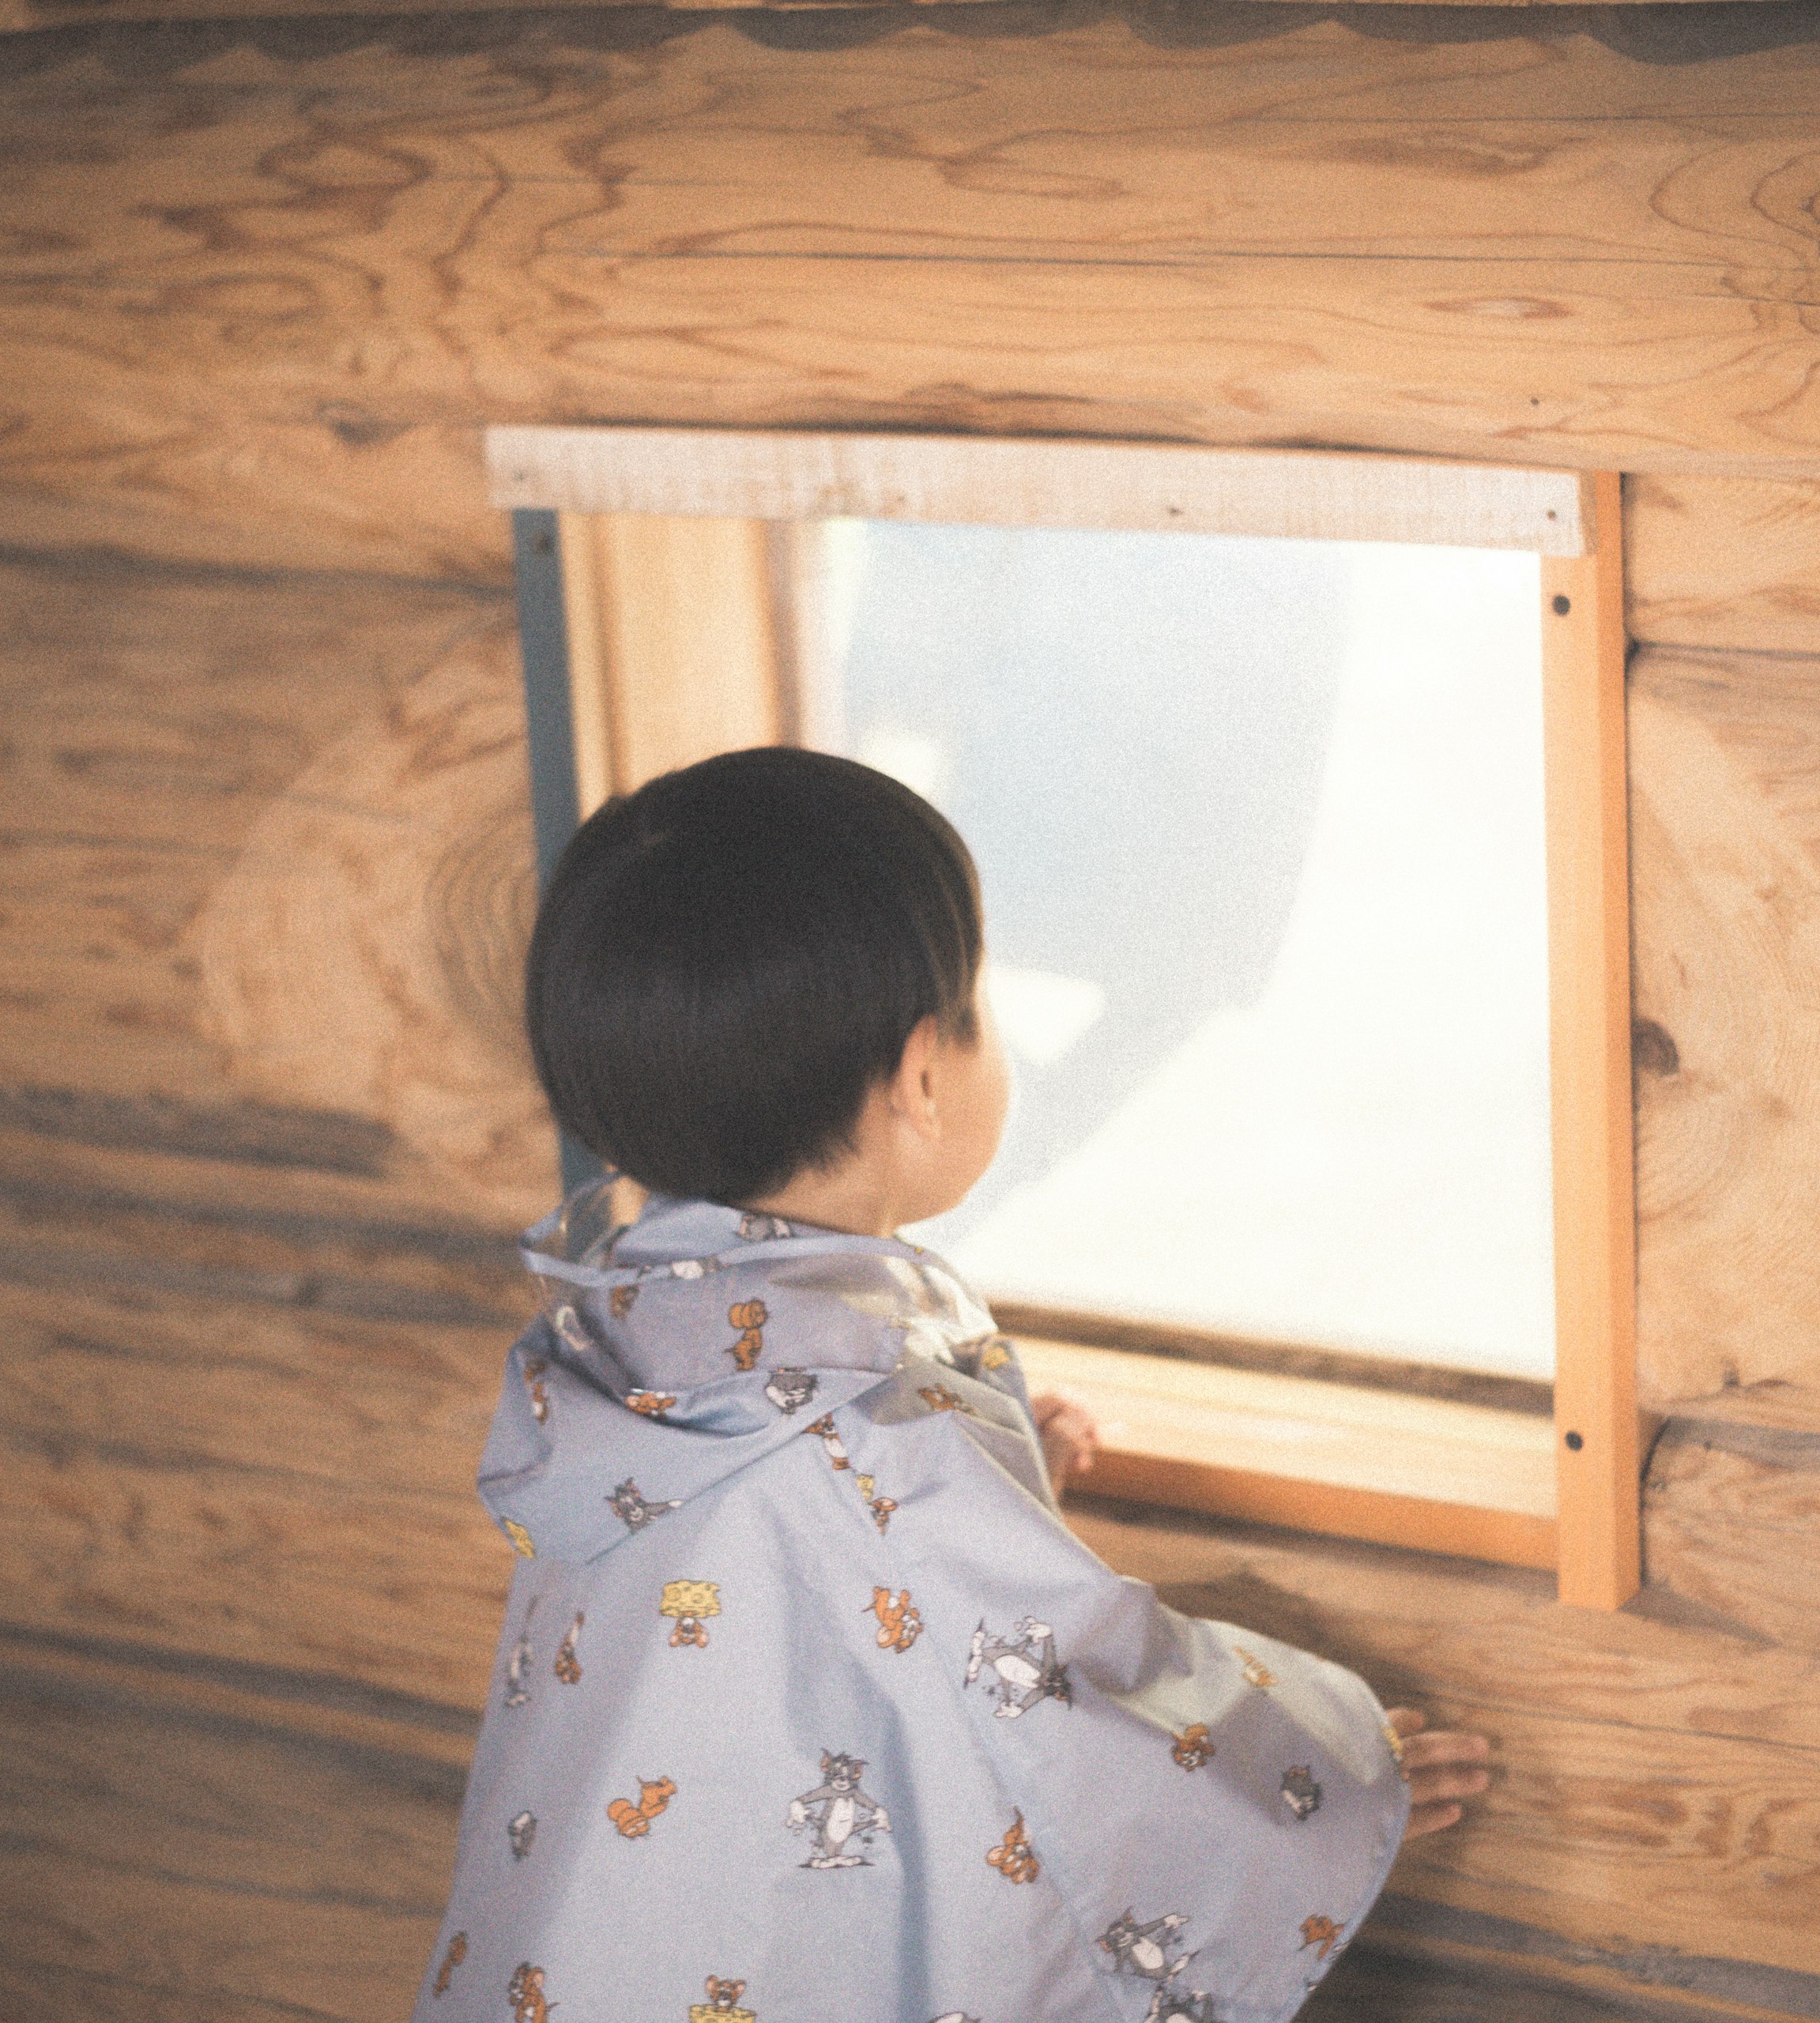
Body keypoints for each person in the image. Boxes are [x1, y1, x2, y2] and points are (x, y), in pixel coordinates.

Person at [417, 747, 1490, 2023]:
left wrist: (984, 1457)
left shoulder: (624, 1345)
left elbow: (804, 1539)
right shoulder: (887, 1453)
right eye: (980, 997)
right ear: (926, 1077)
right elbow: (1087, 1697)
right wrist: (1321, 1786)